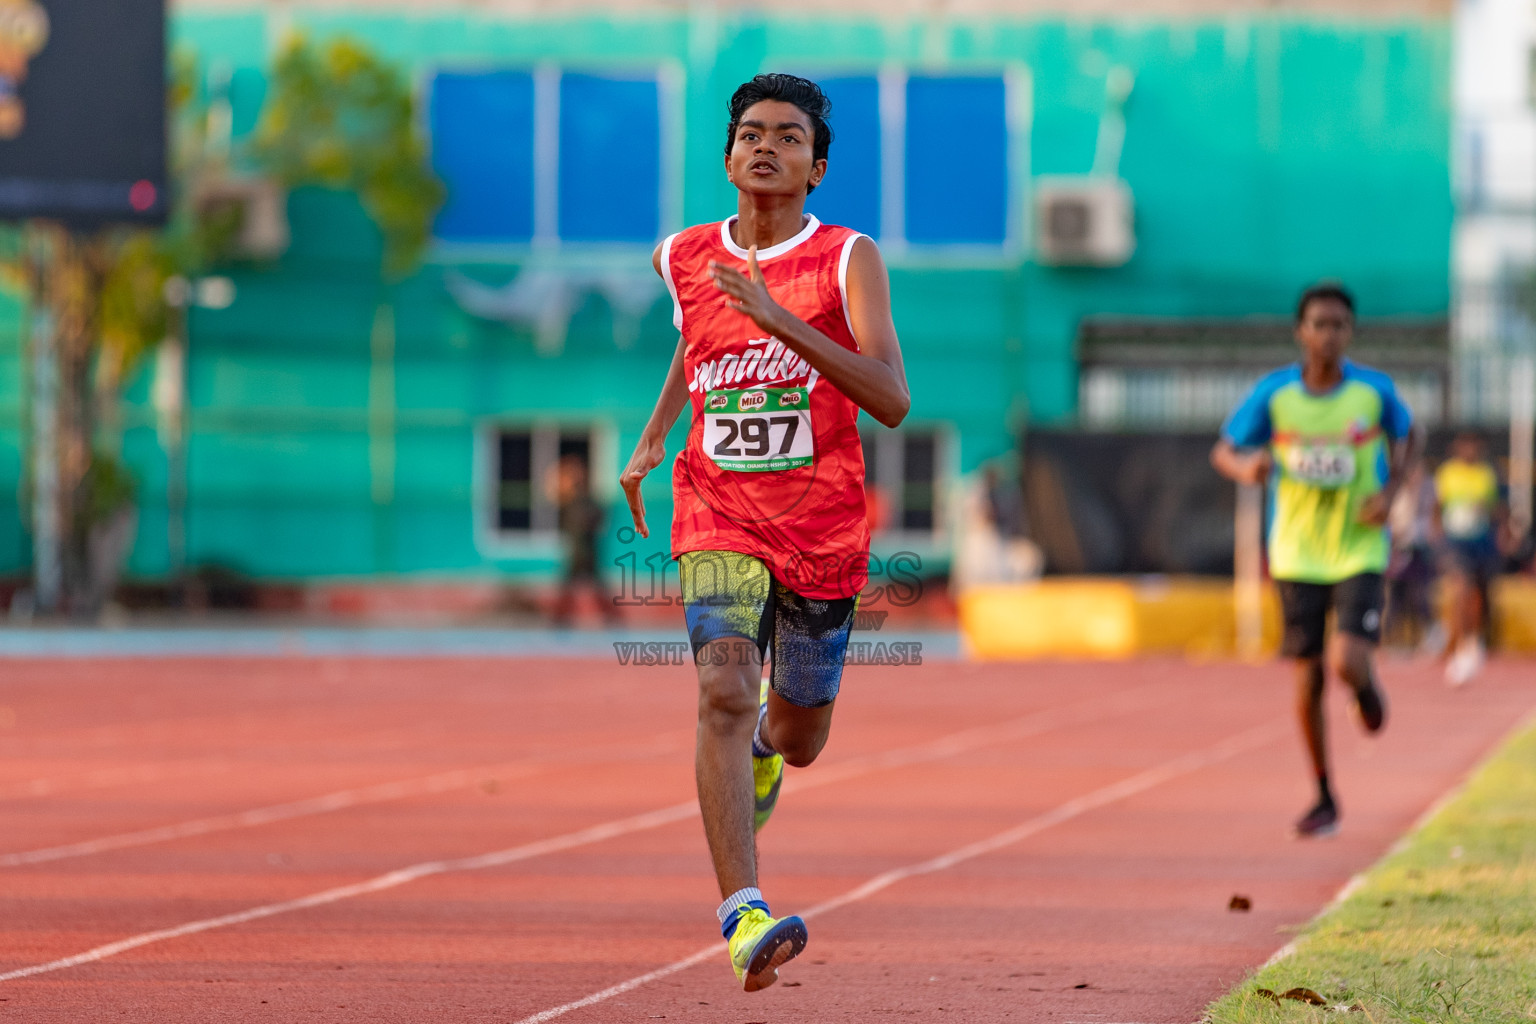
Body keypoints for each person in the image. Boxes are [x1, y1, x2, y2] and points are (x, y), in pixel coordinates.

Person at [619, 74, 909, 991]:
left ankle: (763, 758)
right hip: (718, 510)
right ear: (728, 155)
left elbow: (893, 400)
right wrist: (656, 433)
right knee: (723, 687)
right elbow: (697, 340)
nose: (766, 146)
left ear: (816, 168)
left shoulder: (847, 258)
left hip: (821, 527)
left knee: (798, 734)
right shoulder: (684, 256)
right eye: (750, 133)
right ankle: (743, 914)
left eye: (788, 137)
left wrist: (786, 322)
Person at [1211, 283, 1422, 838]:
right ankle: (1324, 793)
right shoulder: (1275, 395)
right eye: (1319, 324)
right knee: (1307, 678)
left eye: (1339, 325)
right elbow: (1225, 449)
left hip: (1358, 546)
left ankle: (1366, 691)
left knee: (1348, 660)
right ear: (1301, 332)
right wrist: (1245, 469)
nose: (1329, 335)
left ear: (1350, 333)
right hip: (1296, 551)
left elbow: (1411, 433)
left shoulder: (1374, 393)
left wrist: (1393, 488)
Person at [1434, 432, 1506, 686]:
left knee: (1480, 593)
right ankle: (1461, 643)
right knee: (1460, 588)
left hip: (1481, 541)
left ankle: (1476, 639)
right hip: (1455, 542)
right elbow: (1437, 507)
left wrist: (1488, 512)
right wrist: (1437, 537)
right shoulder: (1447, 473)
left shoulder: (1487, 473)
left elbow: (1498, 508)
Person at [548, 455, 619, 627]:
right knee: (566, 591)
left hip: (588, 552)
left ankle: (613, 619)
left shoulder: (588, 500)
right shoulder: (567, 502)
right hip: (575, 553)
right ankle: (560, 621)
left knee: (599, 590)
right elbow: (551, 493)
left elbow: (599, 519)